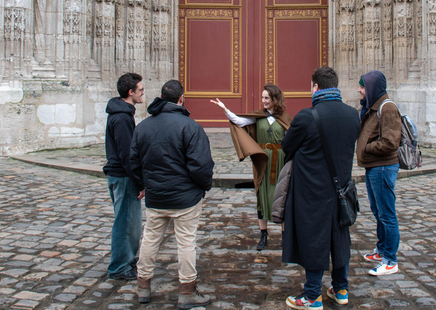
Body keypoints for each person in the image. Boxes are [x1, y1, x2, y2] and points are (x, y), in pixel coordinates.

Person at [282, 66, 360, 308]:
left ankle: (312, 295)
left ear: (316, 87)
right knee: (340, 239)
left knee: (314, 240)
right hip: (342, 191)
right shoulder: (352, 115)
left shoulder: (306, 117)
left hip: (312, 192)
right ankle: (341, 289)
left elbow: (287, 147)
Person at [132, 80, 214, 309]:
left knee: (150, 239)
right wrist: (203, 186)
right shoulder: (190, 127)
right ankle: (187, 291)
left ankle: (143, 286)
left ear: (161, 97)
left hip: (156, 196)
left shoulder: (143, 127)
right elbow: (201, 166)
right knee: (186, 242)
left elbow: (133, 161)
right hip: (185, 199)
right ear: (181, 99)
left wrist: (143, 185)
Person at [210, 84, 293, 250]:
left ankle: (285, 238)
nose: (263, 101)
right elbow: (239, 121)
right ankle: (263, 235)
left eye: (267, 98)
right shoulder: (258, 116)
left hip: (280, 161)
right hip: (262, 161)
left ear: (275, 99)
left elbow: (291, 139)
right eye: (262, 97)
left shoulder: (285, 118)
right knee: (262, 196)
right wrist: (225, 109)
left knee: (282, 195)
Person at [357, 70, 402, 276]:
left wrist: (366, 148)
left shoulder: (387, 107)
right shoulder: (372, 107)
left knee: (387, 214)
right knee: (378, 212)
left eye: (362, 86)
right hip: (373, 166)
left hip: (383, 166)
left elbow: (390, 142)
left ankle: (390, 260)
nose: (359, 90)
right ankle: (382, 249)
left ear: (372, 87)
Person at [103, 73, 145, 281]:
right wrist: (140, 182)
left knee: (130, 223)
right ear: (130, 92)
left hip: (120, 175)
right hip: (123, 177)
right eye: (140, 90)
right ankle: (119, 267)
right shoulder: (121, 118)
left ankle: (127, 258)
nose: (143, 93)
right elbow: (127, 155)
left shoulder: (122, 113)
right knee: (125, 223)